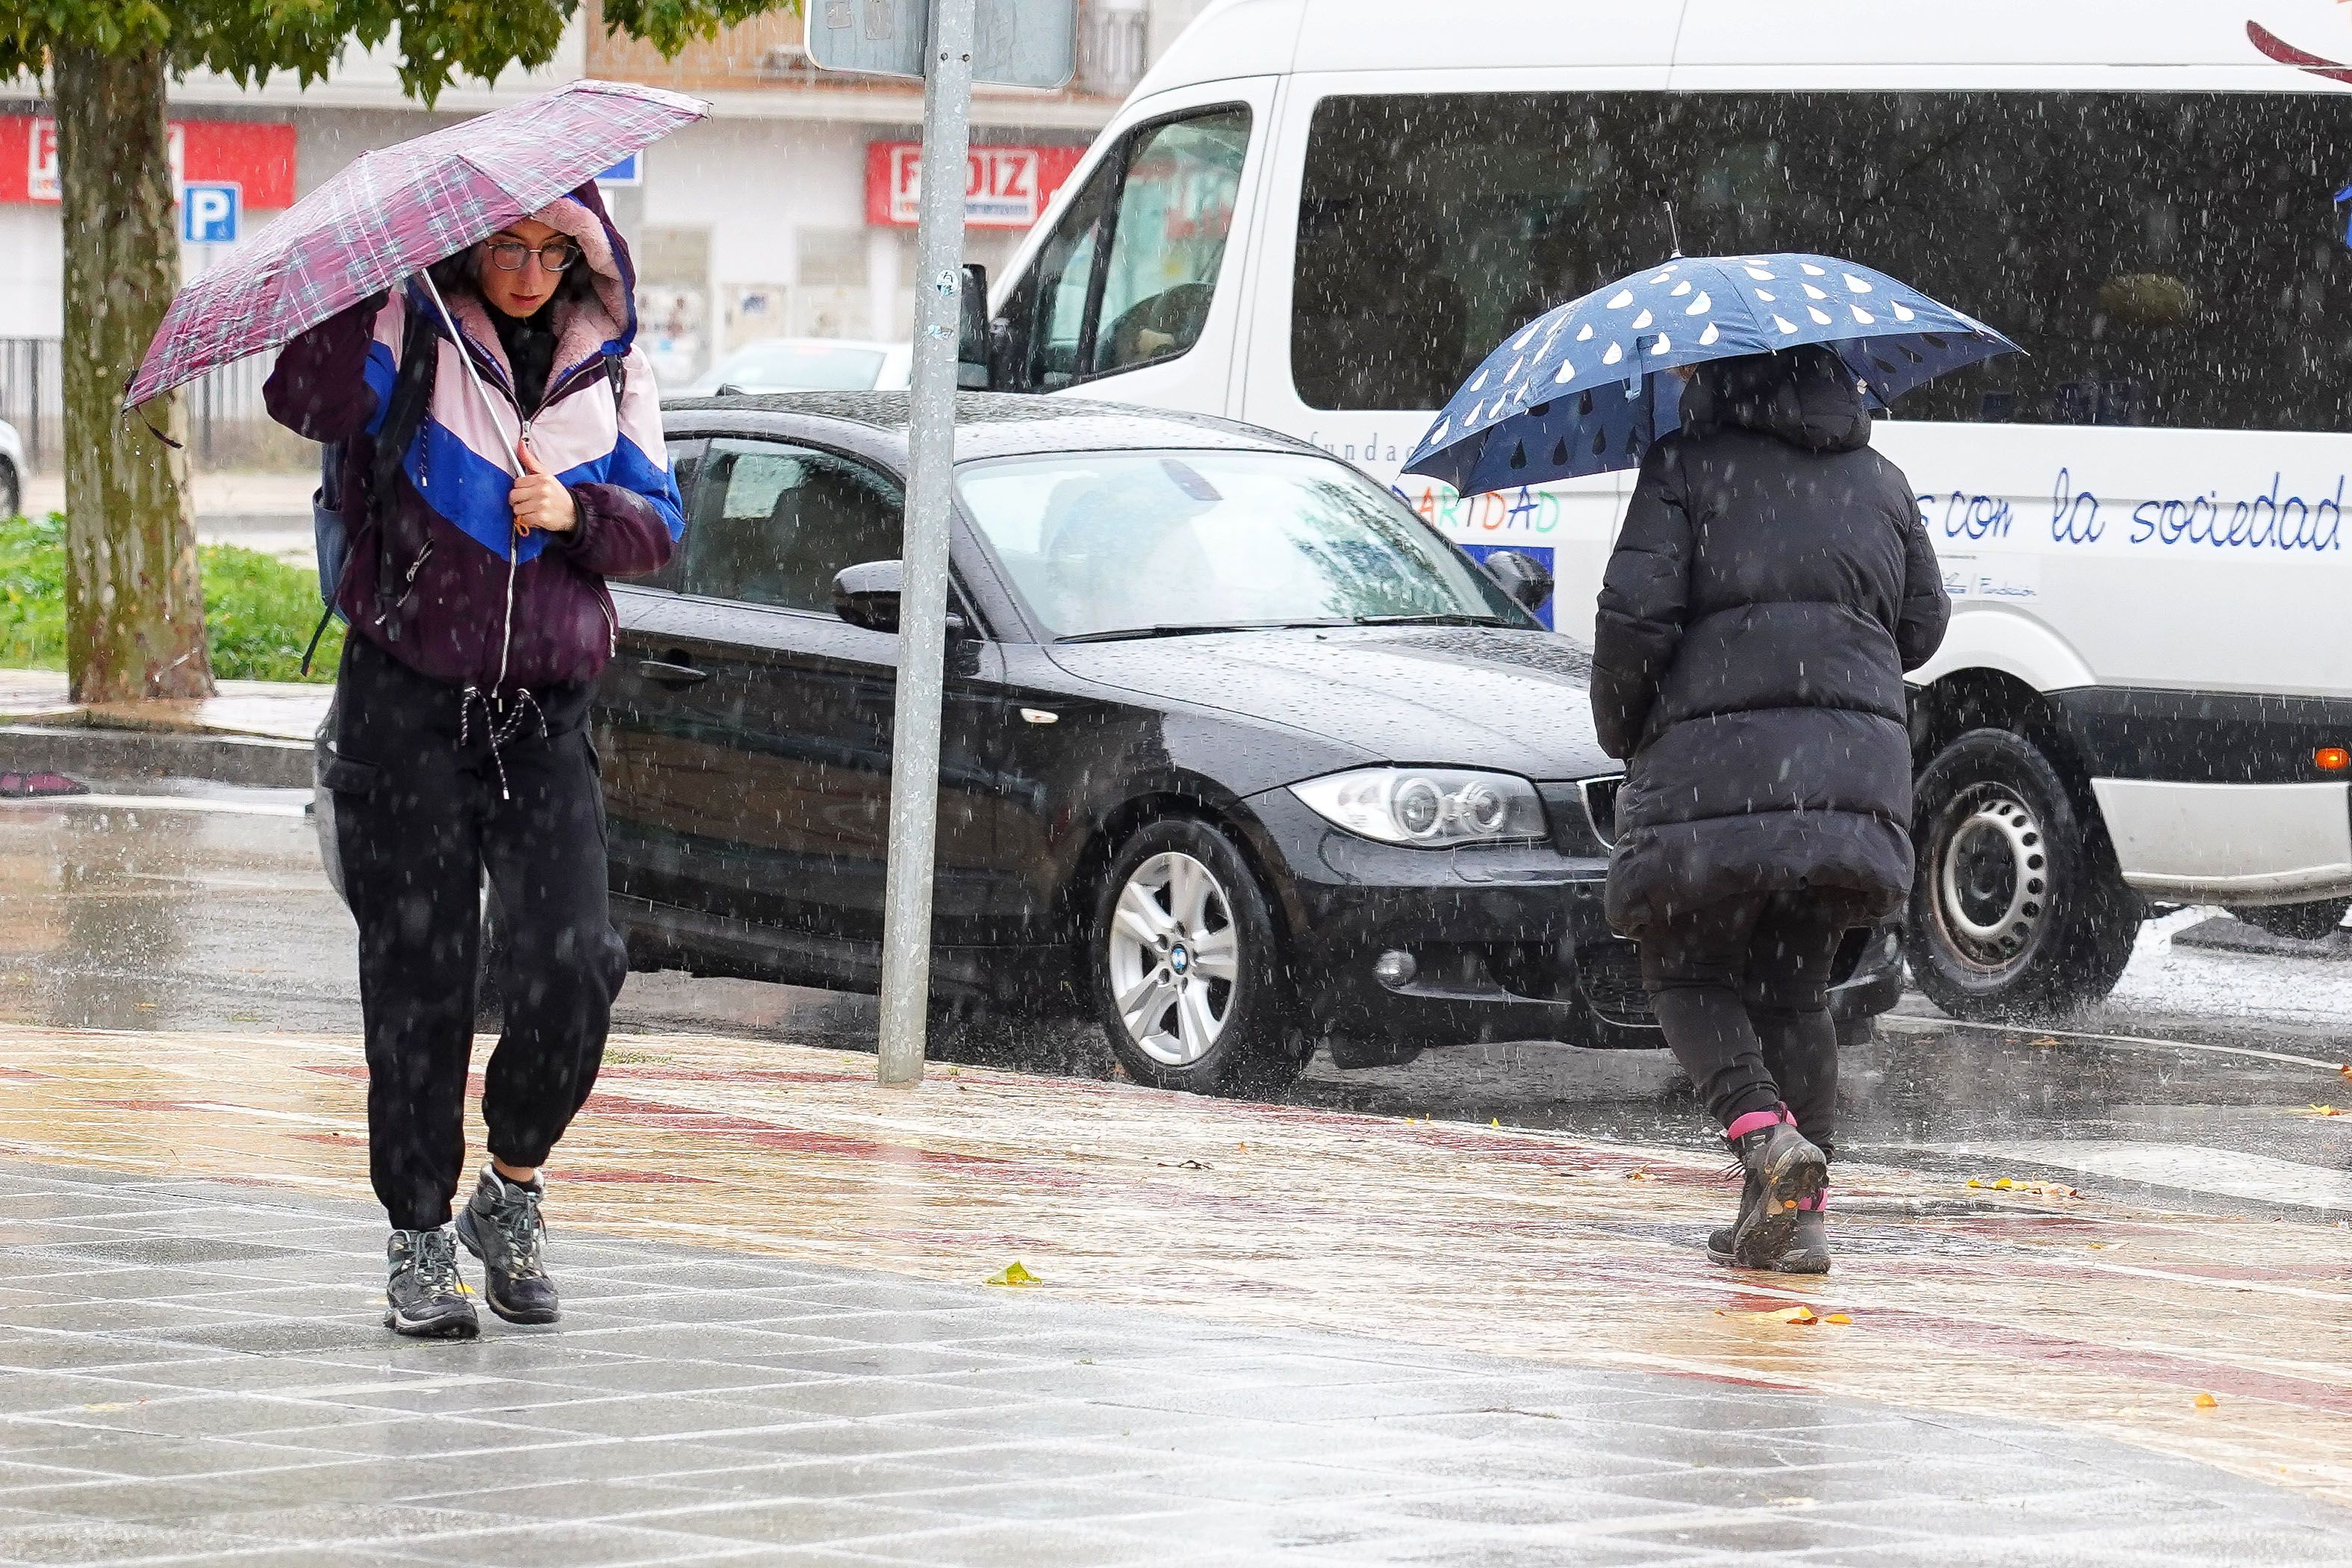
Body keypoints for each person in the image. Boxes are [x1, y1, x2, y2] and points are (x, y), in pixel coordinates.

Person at [265, 181, 682, 1337]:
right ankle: (415, 1236)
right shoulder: (413, 327)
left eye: (556, 252)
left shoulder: (611, 363)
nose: (530, 273)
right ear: (466, 246)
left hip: (540, 718)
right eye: (508, 246)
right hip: (405, 708)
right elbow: (307, 399)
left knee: (575, 961)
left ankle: (510, 1184)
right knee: (419, 983)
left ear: (587, 260)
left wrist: (574, 514)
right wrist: (360, 292)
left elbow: (659, 520)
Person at [1591, 343, 1948, 1275]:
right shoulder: (1882, 478)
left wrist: (1618, 727)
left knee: (1686, 972)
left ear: (1719, 378)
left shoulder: (1682, 469)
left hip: (1713, 781)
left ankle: (1766, 1142)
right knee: (1795, 989)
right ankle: (1797, 1221)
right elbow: (1922, 627)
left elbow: (1635, 621)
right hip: (1848, 781)